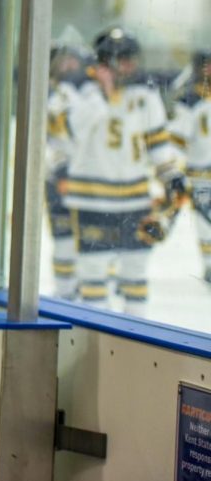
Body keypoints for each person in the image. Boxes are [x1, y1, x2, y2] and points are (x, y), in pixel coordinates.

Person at [60, 27, 186, 315]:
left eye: (132, 59)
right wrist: (103, 94)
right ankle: (93, 335)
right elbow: (72, 133)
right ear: (105, 61)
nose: (131, 66)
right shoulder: (80, 90)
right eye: (123, 59)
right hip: (91, 199)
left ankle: (136, 333)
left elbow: (157, 144)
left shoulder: (144, 95)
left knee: (136, 267)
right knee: (93, 270)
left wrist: (170, 174)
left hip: (134, 198)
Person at [45, 42, 92, 300]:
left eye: (73, 60)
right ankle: (64, 290)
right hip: (60, 177)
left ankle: (85, 286)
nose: (70, 65)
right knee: (63, 237)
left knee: (89, 240)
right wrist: (58, 166)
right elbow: (42, 139)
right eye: (64, 61)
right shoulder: (48, 95)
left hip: (86, 178)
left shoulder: (84, 92)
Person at [170, 49, 211, 284]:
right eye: (205, 65)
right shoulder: (189, 101)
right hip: (201, 175)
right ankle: (209, 266)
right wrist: (174, 170)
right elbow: (176, 140)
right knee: (206, 224)